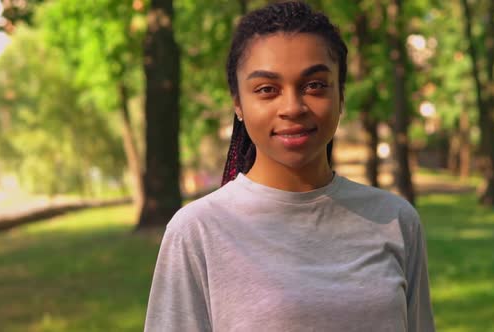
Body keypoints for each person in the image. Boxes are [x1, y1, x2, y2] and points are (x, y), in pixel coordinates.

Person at [144, 2, 435, 331]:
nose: (293, 107)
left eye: (315, 85)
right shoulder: (197, 231)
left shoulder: (396, 220)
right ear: (238, 103)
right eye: (267, 90)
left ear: (341, 95)